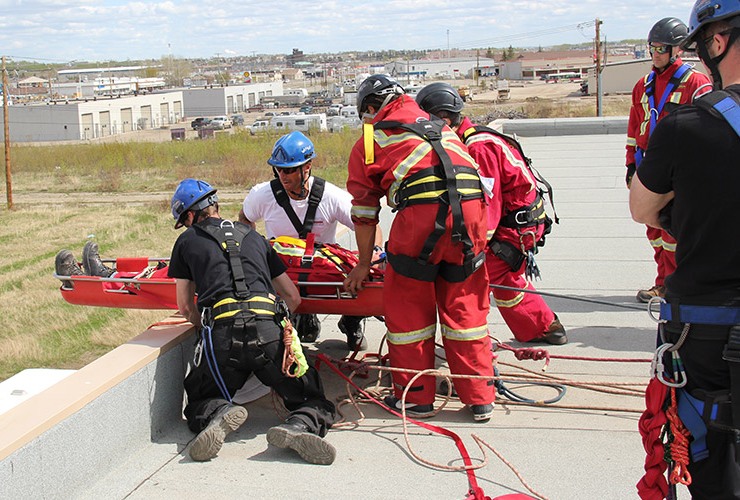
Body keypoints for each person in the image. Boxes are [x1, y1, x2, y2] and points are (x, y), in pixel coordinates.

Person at [629, 1, 740, 497]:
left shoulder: (690, 121)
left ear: (717, 43)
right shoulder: (648, 90)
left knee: (712, 460)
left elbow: (643, 208)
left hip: (711, 331)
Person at [343, 75, 495, 422]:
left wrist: (363, 264)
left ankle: (417, 398)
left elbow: (365, 213)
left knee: (409, 307)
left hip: (422, 220)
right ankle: (479, 397)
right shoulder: (439, 125)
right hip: (472, 218)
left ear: (370, 108)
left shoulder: (371, 138)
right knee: (466, 307)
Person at [168, 178, 337, 464]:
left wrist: (205, 327)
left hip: (223, 339)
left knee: (198, 399)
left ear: (190, 215)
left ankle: (219, 412)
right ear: (215, 205)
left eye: (185, 221)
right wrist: (283, 336)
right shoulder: (254, 237)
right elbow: (292, 297)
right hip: (269, 333)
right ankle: (299, 424)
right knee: (311, 397)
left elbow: (185, 306)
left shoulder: (186, 241)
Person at [416, 82, 566, 345]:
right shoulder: (465, 141)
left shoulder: (478, 149)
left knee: (492, 271)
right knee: (499, 273)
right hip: (514, 220)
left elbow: (487, 207)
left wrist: (471, 248)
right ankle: (543, 325)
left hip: (516, 225)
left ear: (443, 119)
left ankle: (543, 327)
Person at [239, 131, 379, 351]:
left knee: (369, 279)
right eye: (278, 170)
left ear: (307, 166)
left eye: (289, 170)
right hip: (282, 272)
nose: (283, 176)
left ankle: (351, 322)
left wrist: (369, 260)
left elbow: (368, 226)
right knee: (299, 334)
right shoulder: (262, 195)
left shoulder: (331, 197)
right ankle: (301, 318)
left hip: (321, 271)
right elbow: (245, 219)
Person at [626, 17, 712, 303]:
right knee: (655, 232)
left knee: (674, 232)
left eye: (661, 48)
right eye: (652, 47)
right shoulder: (644, 85)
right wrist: (630, 165)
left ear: (678, 50)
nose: (655, 54)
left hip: (679, 172)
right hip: (649, 168)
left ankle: (675, 285)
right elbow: (634, 126)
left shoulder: (696, 83)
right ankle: (663, 281)